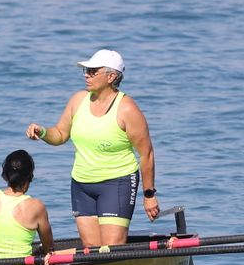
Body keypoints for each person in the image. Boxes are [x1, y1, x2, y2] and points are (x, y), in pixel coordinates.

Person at [25, 49, 159, 247]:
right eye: (86, 71)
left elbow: (146, 154)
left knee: (111, 250)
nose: (86, 75)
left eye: (92, 71)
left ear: (111, 77)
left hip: (117, 183)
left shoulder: (127, 109)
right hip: (82, 184)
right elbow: (60, 134)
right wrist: (43, 132)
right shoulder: (78, 100)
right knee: (92, 250)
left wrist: (149, 195)